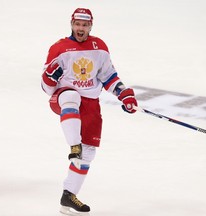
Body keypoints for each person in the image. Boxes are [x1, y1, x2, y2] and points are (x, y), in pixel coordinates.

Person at [41, 8, 138, 215]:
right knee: (71, 97)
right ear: (71, 24)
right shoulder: (59, 48)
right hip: (63, 98)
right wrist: (49, 77)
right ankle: (73, 145)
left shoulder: (99, 47)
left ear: (90, 26)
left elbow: (109, 76)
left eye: (85, 25)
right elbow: (46, 87)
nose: (81, 29)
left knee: (88, 153)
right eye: (77, 24)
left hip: (90, 104)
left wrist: (124, 94)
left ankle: (68, 196)